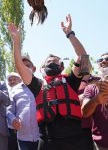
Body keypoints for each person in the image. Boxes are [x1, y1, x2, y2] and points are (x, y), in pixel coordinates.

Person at [7, 14, 91, 150]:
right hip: (48, 142)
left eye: (55, 61)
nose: (52, 63)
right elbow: (19, 66)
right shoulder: (37, 85)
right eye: (48, 62)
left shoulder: (71, 81)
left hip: (75, 141)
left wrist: (70, 33)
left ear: (62, 66)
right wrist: (16, 41)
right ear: (42, 68)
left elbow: (84, 58)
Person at [82, 52, 108, 150]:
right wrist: (96, 100)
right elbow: (85, 113)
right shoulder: (91, 87)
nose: (103, 61)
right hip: (100, 144)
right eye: (100, 60)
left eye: (107, 59)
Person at [7, 72, 39, 150]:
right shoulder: (12, 91)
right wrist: (12, 120)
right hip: (23, 137)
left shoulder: (38, 86)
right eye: (10, 80)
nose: (12, 81)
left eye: (14, 79)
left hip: (41, 134)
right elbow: (9, 110)